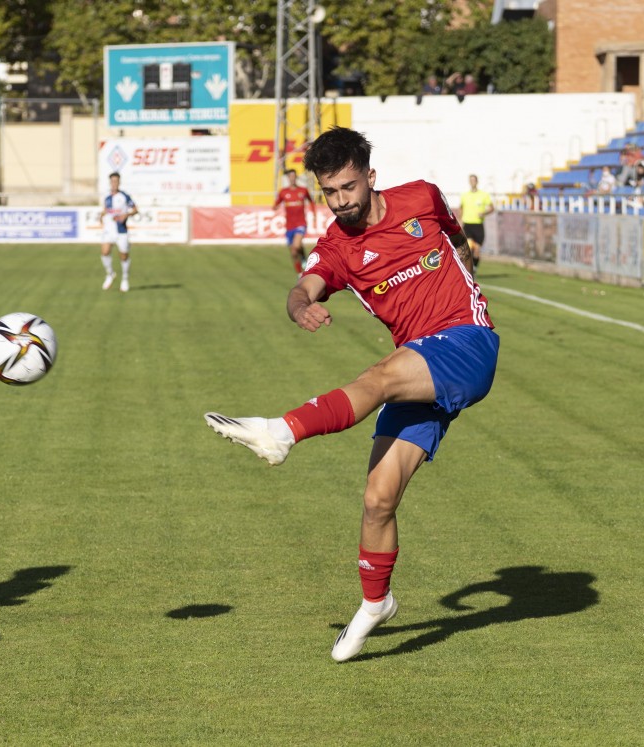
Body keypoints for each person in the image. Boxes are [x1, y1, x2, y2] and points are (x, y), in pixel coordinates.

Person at [203, 127, 498, 662]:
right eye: (330, 192)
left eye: (348, 187)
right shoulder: (338, 247)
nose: (341, 201)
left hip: (468, 342)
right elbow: (303, 288)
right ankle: (375, 604)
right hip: (421, 365)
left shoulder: (422, 197)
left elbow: (457, 239)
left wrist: (467, 278)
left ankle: (280, 432)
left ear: (370, 176)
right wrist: (299, 307)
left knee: (379, 377)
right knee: (377, 500)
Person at [273, 168, 317, 276]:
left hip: (301, 224)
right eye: (290, 176)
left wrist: (314, 214)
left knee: (296, 247)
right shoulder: (283, 192)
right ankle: (299, 273)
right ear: (288, 178)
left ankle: (303, 261)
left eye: (293, 176)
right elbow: (276, 203)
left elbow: (311, 201)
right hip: (289, 226)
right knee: (293, 253)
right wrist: (275, 207)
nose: (292, 178)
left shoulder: (303, 190)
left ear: (295, 177)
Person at [100, 171, 138, 293]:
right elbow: (106, 210)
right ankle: (110, 273)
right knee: (105, 251)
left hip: (121, 230)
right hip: (109, 230)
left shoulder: (125, 196)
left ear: (119, 182)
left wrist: (126, 214)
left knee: (124, 255)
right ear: (110, 182)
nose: (114, 183)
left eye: (116, 181)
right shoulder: (107, 197)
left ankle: (125, 278)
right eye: (112, 181)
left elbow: (135, 209)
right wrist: (101, 216)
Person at [459, 174, 494, 273]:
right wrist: (460, 220)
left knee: (477, 249)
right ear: (469, 182)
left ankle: (474, 267)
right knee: (470, 246)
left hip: (478, 225)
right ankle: (467, 268)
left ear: (477, 182)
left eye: (474, 180)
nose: (472, 182)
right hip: (468, 224)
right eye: (471, 180)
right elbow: (461, 208)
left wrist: (484, 213)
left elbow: (492, 208)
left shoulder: (484, 195)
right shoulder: (465, 195)